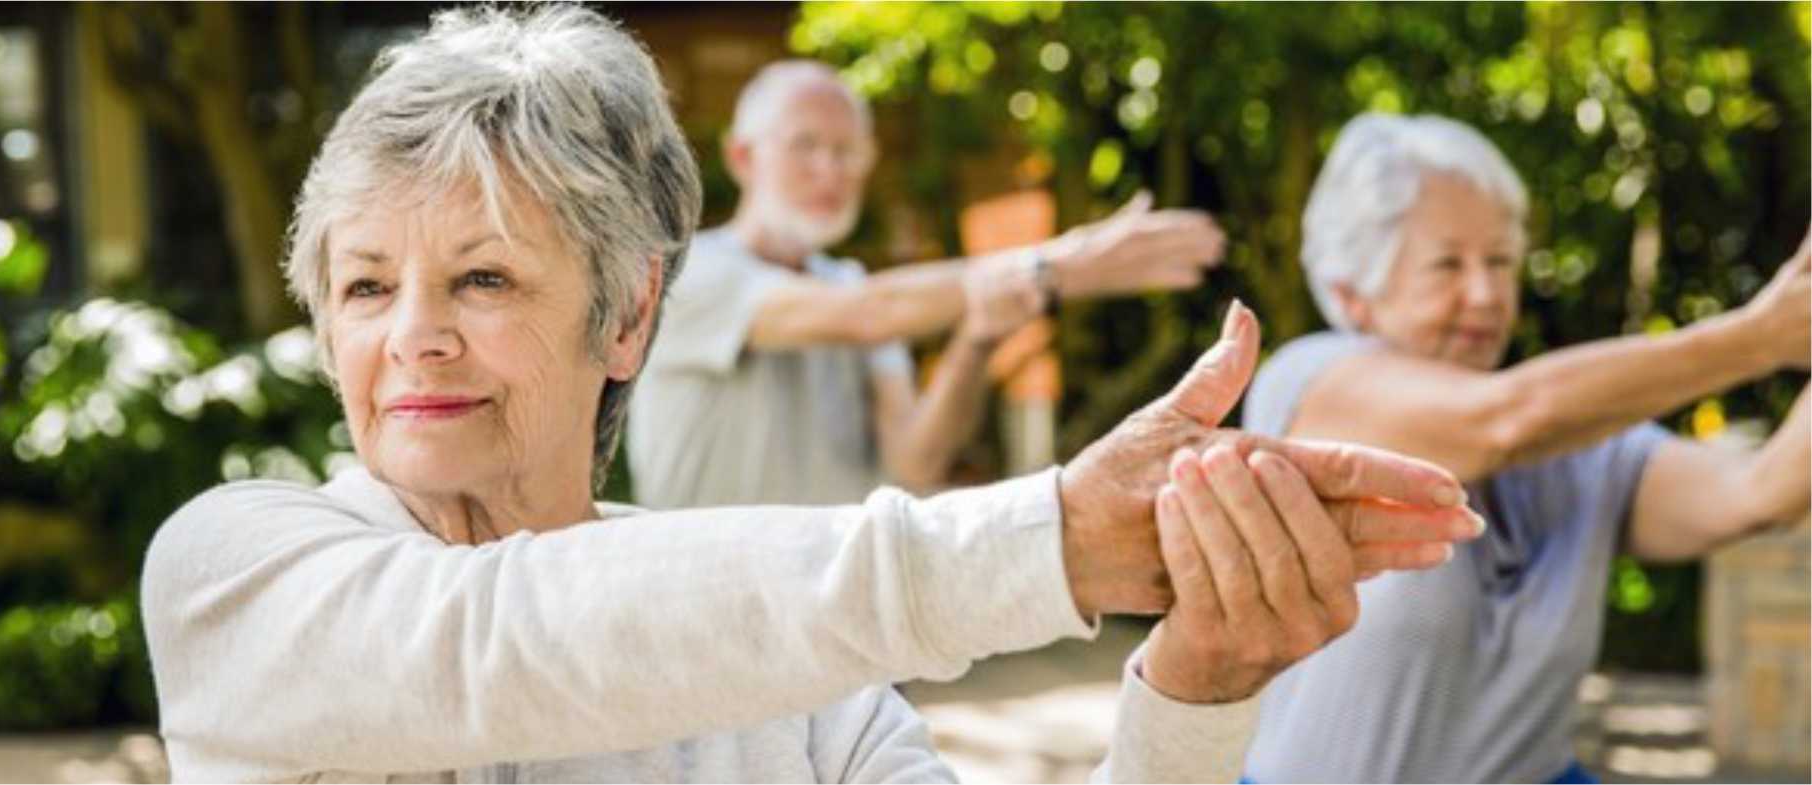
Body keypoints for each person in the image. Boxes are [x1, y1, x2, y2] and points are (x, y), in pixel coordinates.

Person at [141, 9, 1483, 782]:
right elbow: (502, 638)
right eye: (368, 288)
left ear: (626, 316)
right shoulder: (232, 574)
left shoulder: (814, 706)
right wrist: (1054, 542)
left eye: (483, 279)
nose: (414, 337)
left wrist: (1196, 684)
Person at [1238, 112, 1811, 783]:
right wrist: (1761, 337)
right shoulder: (1309, 384)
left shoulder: (1584, 444)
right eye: (1448, 264)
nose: (1485, 293)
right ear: (1352, 294)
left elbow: (1760, 492)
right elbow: (1502, 421)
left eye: (1501, 261)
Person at [626, 59, 1228, 509]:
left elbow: (915, 460)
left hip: (831, 628)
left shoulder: (851, 282)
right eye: (805, 145)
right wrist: (1061, 265)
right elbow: (867, 314)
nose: (829, 169)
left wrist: (977, 340)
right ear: (742, 157)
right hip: (706, 617)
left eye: (847, 151)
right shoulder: (692, 272)